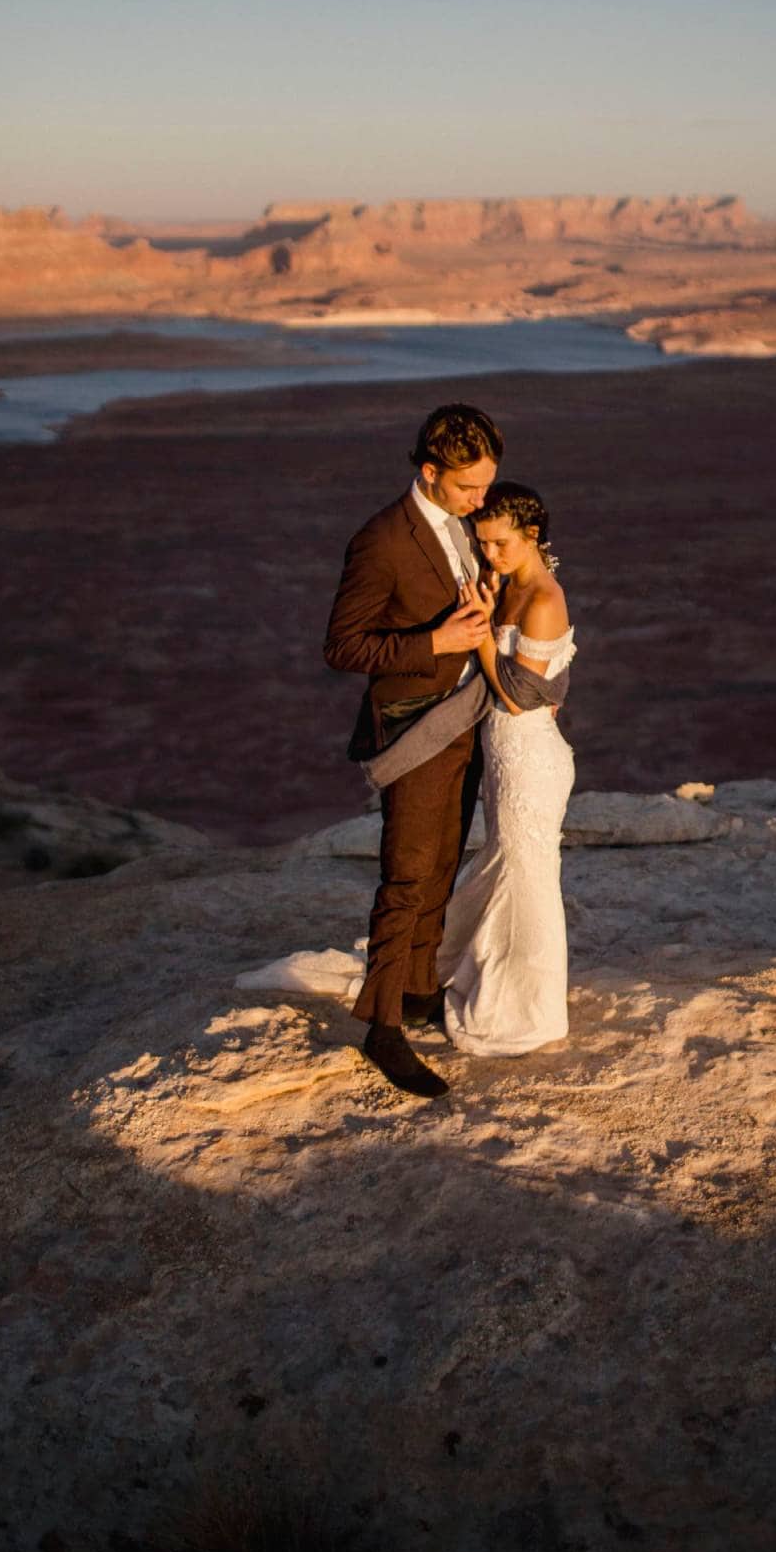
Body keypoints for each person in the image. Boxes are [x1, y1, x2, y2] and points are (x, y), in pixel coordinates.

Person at [323, 403, 503, 1097]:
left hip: (465, 719)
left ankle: (419, 988)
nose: (479, 502)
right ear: (429, 472)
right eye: (466, 489)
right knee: (406, 874)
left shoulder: (460, 524)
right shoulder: (382, 540)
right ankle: (382, 1028)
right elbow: (342, 645)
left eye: (485, 486)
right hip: (413, 726)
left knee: (441, 866)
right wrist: (434, 642)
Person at [437, 482, 576, 1056]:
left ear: (532, 536)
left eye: (500, 544)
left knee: (530, 879)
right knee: (506, 866)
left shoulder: (542, 599)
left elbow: (521, 697)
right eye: (482, 543)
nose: (488, 554)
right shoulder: (513, 584)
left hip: (530, 759)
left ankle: (530, 1011)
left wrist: (485, 636)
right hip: (505, 755)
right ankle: (487, 969)